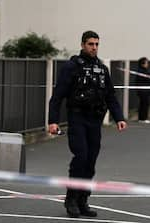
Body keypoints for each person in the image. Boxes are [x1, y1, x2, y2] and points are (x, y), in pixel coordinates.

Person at [48, 31, 127, 218]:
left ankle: (83, 200)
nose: (94, 47)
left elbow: (110, 96)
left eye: (97, 44)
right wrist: (52, 121)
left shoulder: (102, 68)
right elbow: (58, 96)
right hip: (77, 119)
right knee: (81, 157)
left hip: (95, 120)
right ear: (83, 44)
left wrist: (119, 118)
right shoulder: (72, 67)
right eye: (91, 44)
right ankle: (71, 199)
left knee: (90, 162)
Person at [135, 57, 150, 123]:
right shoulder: (142, 71)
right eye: (146, 63)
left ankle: (141, 118)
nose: (147, 64)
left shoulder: (144, 70)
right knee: (144, 104)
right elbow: (148, 78)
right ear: (143, 64)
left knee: (143, 104)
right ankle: (143, 118)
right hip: (143, 91)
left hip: (144, 90)